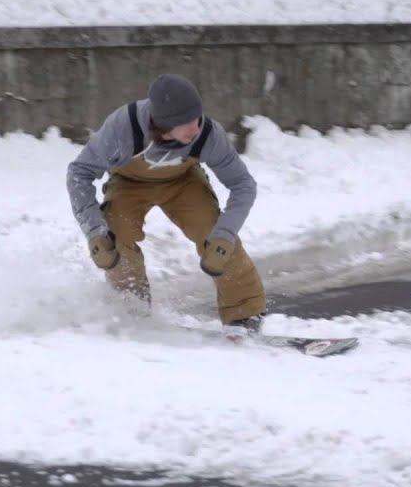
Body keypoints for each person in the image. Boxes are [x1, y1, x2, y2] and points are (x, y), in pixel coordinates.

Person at [66, 73, 267, 333]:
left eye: (197, 118)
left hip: (184, 180)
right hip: (128, 182)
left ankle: (244, 313)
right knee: (116, 237)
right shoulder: (122, 128)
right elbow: (79, 173)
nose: (195, 128)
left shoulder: (206, 133)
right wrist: (95, 233)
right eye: (185, 123)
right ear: (162, 124)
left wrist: (225, 235)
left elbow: (243, 184)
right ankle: (132, 308)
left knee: (214, 236)